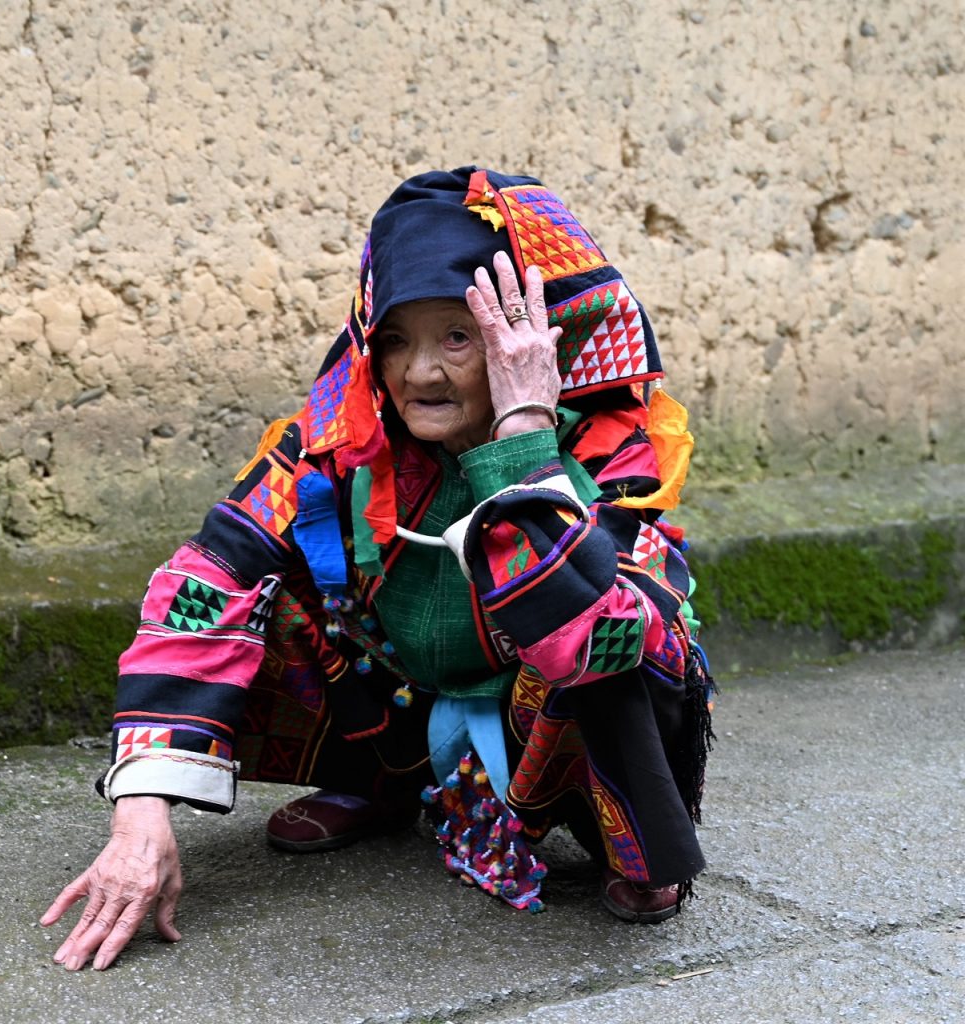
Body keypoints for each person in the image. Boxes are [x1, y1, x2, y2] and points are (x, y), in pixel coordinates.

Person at [40, 167, 715, 970]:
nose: (419, 373)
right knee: (271, 579)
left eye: (460, 337)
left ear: (533, 341)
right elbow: (204, 584)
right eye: (395, 338)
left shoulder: (614, 446)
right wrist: (141, 816)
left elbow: (587, 633)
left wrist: (525, 429)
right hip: (400, 687)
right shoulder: (344, 441)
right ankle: (381, 777)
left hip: (540, 711)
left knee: (621, 634)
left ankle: (629, 842)